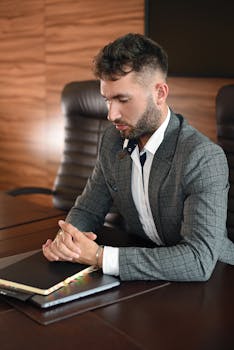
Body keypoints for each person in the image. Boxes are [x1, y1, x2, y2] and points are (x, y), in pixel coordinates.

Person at [42, 33, 234, 281]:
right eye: (107, 100)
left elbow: (198, 260)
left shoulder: (202, 157)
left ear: (160, 94)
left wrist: (100, 257)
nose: (111, 115)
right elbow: (89, 208)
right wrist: (68, 240)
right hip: (147, 269)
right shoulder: (113, 141)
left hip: (217, 277)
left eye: (122, 99)